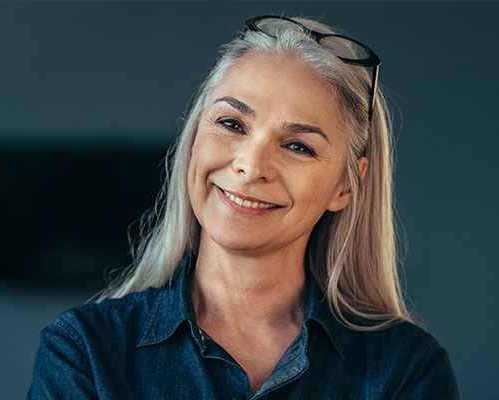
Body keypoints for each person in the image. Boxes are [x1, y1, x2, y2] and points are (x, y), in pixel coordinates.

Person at [27, 15, 459, 399]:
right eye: (232, 124)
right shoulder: (83, 351)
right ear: (195, 138)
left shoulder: (406, 370)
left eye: (297, 146)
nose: (251, 166)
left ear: (345, 186)